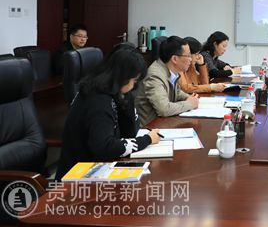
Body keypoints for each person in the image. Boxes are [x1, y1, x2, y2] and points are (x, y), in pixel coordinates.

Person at [56, 47, 161, 180]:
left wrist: (127, 98)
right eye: (134, 80)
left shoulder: (109, 92)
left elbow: (130, 132)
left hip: (97, 167)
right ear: (122, 78)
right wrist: (147, 140)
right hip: (78, 177)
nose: (134, 86)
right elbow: (104, 147)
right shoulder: (98, 101)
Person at [135, 36, 199, 126]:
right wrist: (189, 104)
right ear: (174, 59)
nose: (191, 59)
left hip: (164, 123)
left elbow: (176, 92)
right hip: (151, 127)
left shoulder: (171, 71)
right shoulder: (155, 76)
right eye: (188, 55)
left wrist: (189, 98)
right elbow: (164, 109)